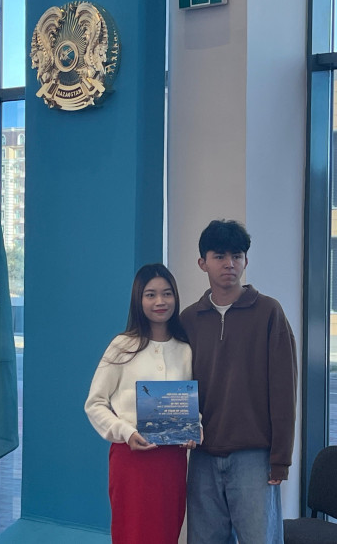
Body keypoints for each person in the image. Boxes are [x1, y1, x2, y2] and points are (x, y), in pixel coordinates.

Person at [181, 219, 297, 544]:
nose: (229, 263)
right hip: (202, 456)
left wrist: (280, 459)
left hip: (254, 457)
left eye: (237, 255)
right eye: (219, 256)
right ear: (202, 262)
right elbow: (176, 382)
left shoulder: (269, 312)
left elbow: (285, 391)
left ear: (246, 260)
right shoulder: (188, 320)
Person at [85, 263, 198, 544]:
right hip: (131, 459)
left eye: (167, 293)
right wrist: (126, 432)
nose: (160, 301)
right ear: (139, 299)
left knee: (166, 533)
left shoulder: (185, 350)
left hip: (172, 462)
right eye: (151, 294)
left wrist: (196, 428)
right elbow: (95, 403)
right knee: (132, 533)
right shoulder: (122, 346)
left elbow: (188, 404)